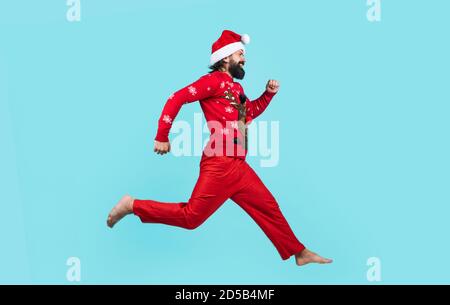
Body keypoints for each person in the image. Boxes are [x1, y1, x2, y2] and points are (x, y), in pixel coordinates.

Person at [107, 30, 332, 266]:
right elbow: (176, 98)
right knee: (191, 217)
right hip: (220, 162)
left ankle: (299, 252)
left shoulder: (236, 89)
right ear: (225, 58)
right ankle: (132, 205)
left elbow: (249, 113)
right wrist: (162, 135)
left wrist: (268, 94)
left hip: (238, 165)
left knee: (268, 206)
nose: (244, 58)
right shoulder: (213, 82)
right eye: (240, 53)